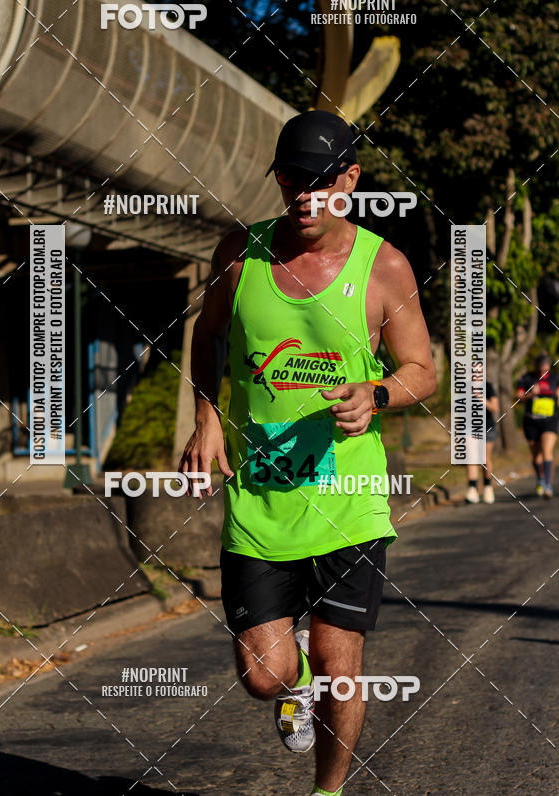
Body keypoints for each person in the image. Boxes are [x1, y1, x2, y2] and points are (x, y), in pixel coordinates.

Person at [179, 109, 436, 796]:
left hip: (346, 502)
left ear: (350, 179)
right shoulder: (238, 254)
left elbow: (421, 368)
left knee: (339, 664)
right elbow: (207, 338)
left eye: (322, 179)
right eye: (293, 177)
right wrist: (206, 416)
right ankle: (288, 675)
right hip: (260, 498)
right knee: (263, 677)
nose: (305, 192)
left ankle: (328, 793)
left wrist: (377, 394)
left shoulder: (384, 267)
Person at [516, 353, 559, 499]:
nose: (543, 372)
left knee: (547, 451)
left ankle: (547, 485)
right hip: (531, 422)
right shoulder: (527, 378)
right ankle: (540, 478)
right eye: (541, 369)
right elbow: (518, 397)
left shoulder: (555, 379)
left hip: (549, 421)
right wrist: (529, 394)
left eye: (545, 369)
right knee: (536, 457)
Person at [465, 381, 499, 504]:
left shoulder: (488, 387)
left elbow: (495, 408)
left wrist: (480, 398)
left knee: (485, 458)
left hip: (487, 427)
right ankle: (472, 489)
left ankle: (487, 487)